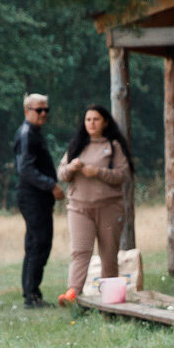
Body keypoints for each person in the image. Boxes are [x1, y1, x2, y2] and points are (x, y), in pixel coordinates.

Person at [55, 104, 132, 303]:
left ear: (105, 122)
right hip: (79, 208)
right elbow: (61, 174)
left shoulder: (113, 146)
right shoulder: (76, 145)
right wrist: (71, 167)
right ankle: (73, 293)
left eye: (96, 119)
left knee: (108, 254)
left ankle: (111, 300)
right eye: (88, 119)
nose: (92, 123)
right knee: (80, 251)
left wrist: (98, 172)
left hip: (109, 207)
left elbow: (123, 175)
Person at [12, 93, 62, 307]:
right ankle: (31, 296)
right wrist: (51, 185)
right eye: (38, 110)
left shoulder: (34, 133)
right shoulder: (27, 134)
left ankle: (31, 293)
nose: (43, 114)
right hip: (32, 196)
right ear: (27, 111)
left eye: (46, 110)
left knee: (37, 243)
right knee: (38, 243)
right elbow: (25, 168)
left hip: (39, 197)